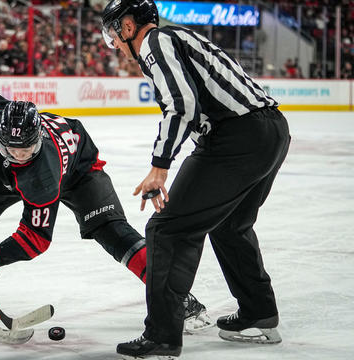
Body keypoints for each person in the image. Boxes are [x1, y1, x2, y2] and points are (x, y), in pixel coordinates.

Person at [0, 67, 211, 334]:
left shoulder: (39, 174)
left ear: (37, 141)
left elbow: (36, 239)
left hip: (80, 174)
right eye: (11, 149)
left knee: (112, 231)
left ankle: (175, 296)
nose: (19, 155)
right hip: (13, 173)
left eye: (25, 150)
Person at [101, 0, 290, 358]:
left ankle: (162, 336)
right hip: (270, 131)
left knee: (167, 229)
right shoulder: (176, 39)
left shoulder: (154, 43)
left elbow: (181, 104)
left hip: (237, 136)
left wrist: (160, 165)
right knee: (230, 225)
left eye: (113, 33)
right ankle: (259, 313)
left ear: (127, 27)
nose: (113, 43)